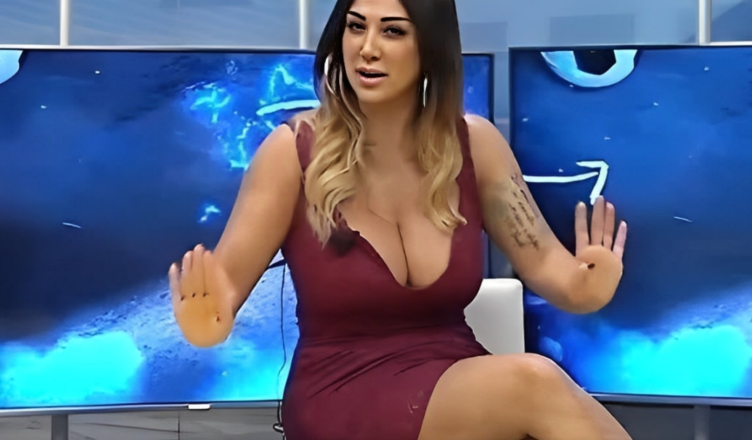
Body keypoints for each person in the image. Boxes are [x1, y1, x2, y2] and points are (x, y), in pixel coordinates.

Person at [168, 0, 631, 438]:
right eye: (356, 27)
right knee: (535, 383)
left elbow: (550, 267)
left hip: (454, 380)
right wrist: (205, 323)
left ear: (429, 45)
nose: (367, 47)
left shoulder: (476, 147)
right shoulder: (292, 153)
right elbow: (221, 298)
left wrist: (588, 286)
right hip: (340, 391)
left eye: (392, 31)